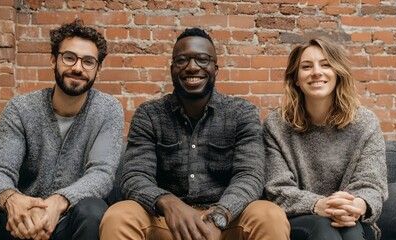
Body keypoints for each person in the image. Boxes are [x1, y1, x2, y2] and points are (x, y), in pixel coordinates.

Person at [99, 27, 290, 240]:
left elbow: (250, 176)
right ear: (172, 68)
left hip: (227, 220)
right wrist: (168, 203)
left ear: (215, 68)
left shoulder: (241, 113)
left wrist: (220, 214)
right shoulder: (149, 115)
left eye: (202, 59)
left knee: (269, 215)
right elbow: (135, 176)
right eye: (182, 60)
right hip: (167, 221)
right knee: (119, 216)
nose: (192, 67)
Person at [0, 19, 124, 240]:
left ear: (98, 69)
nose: (77, 68)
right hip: (19, 221)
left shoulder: (108, 110)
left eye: (88, 61)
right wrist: (12, 200)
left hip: (70, 222)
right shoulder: (21, 108)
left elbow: (101, 174)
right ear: (54, 59)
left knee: (94, 210)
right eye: (69, 57)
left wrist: (58, 203)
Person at [262, 37, 388, 240]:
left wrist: (357, 204)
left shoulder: (365, 123)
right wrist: (317, 205)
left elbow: (371, 183)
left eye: (326, 64)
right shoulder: (277, 125)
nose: (316, 72)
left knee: (351, 230)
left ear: (338, 73)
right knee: (324, 227)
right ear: (296, 78)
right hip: (299, 218)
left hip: (351, 217)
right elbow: (276, 187)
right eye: (306, 66)